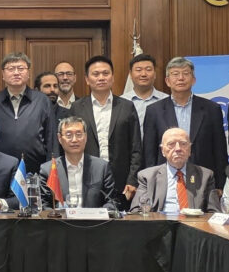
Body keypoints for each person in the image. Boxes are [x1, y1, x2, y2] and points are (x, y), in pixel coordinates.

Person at [143, 57, 228, 187]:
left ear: (193, 80)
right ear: (167, 81)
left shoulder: (211, 109)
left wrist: (219, 184)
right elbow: (149, 152)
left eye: (186, 73)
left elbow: (220, 150)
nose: (181, 78)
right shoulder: (154, 111)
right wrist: (151, 183)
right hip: (165, 179)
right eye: (175, 74)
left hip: (203, 178)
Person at [69, 55, 142, 208]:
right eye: (96, 74)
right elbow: (71, 145)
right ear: (87, 79)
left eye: (105, 73)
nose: (101, 77)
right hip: (87, 177)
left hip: (121, 181)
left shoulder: (126, 106)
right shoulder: (77, 107)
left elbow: (136, 147)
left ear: (113, 77)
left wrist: (132, 179)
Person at [0, 52, 57, 173]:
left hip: (36, 169)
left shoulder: (42, 100)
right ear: (3, 74)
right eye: (11, 69)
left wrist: (51, 170)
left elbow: (51, 138)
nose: (16, 72)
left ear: (28, 73)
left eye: (21, 68)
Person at [131, 128, 219, 213]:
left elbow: (214, 213)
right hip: (160, 226)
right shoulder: (148, 176)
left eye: (183, 143)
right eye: (171, 144)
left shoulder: (205, 176)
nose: (178, 148)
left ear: (190, 149)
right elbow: (136, 211)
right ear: (162, 151)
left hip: (194, 226)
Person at [38, 116, 117, 209]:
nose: (74, 140)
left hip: (93, 222)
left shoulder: (102, 167)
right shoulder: (48, 170)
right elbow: (44, 206)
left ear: (86, 137)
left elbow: (112, 202)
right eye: (69, 135)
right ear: (59, 138)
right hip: (60, 222)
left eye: (79, 134)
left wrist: (97, 215)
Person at [120, 54, 167, 137]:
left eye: (148, 70)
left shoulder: (166, 100)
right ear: (130, 74)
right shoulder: (120, 102)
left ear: (155, 74)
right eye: (138, 70)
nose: (143, 74)